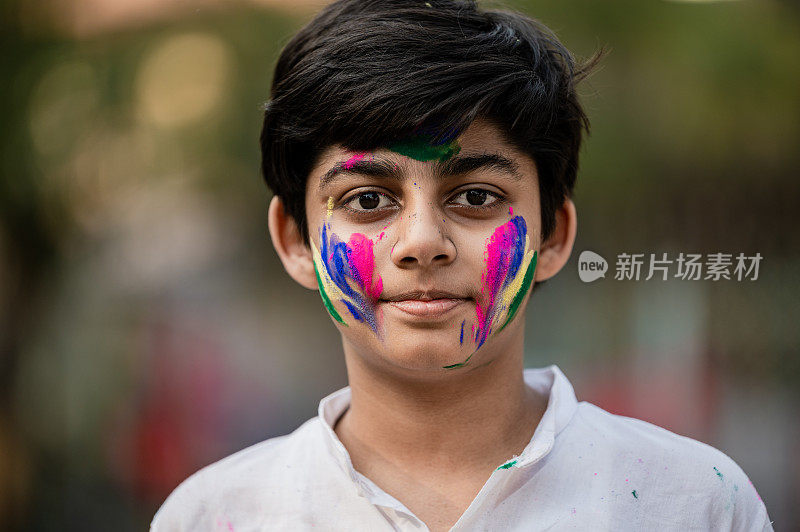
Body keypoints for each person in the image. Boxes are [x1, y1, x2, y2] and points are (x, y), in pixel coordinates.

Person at [151, 0, 774, 530]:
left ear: (553, 235)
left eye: (476, 197)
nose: (423, 242)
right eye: (368, 200)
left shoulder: (694, 503)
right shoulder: (214, 516)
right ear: (295, 240)